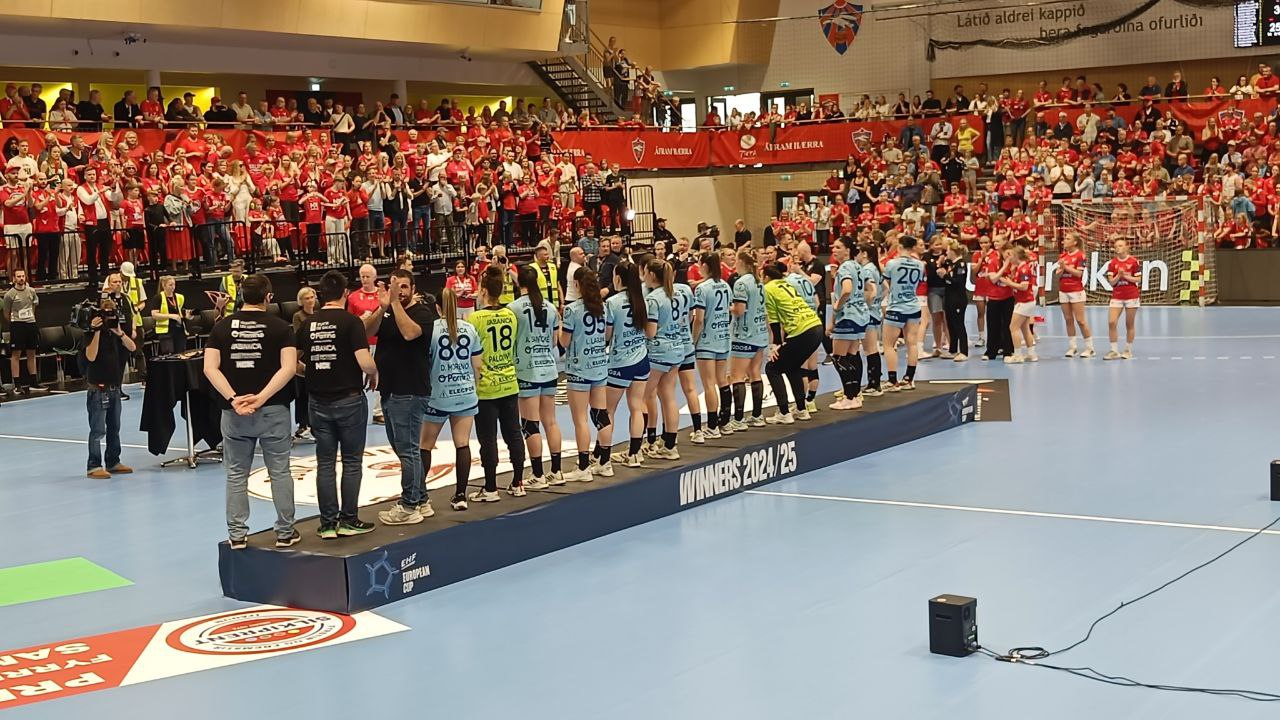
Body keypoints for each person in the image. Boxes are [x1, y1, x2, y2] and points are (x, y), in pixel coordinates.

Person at [203, 274, 298, 549]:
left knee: (235, 473)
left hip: (235, 414)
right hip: (273, 410)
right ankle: (284, 533)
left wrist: (234, 399)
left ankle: (237, 535)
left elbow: (210, 368)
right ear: (268, 297)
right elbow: (289, 368)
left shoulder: (221, 329)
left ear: (242, 296)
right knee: (279, 471)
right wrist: (261, 398)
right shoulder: (281, 328)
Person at [297, 271, 379, 539]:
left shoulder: (308, 324)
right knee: (352, 462)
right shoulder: (351, 322)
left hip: (318, 401)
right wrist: (373, 372)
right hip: (349, 400)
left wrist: (309, 372)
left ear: (321, 294)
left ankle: (327, 523)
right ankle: (349, 519)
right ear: (345, 293)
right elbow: (365, 362)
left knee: (325, 463)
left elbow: (292, 361)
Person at [363, 268, 437, 524]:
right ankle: (422, 498)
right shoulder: (387, 312)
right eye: (396, 287)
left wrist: (394, 303)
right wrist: (382, 308)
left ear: (413, 288)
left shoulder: (422, 312)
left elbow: (410, 333)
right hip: (389, 390)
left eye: (404, 287)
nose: (400, 291)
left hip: (410, 391)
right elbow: (366, 332)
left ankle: (409, 506)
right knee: (402, 448)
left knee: (408, 451)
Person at [470, 266, 527, 499]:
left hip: (486, 387)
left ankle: (491, 487)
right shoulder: (510, 315)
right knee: (514, 433)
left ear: (483, 291)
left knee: (487, 437)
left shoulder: (475, 318)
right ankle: (518, 482)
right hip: (509, 382)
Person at [422, 289, 482, 512]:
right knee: (462, 443)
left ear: (437, 307)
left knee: (425, 445)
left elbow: (425, 362)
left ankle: (421, 496)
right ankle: (460, 496)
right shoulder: (469, 328)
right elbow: (477, 364)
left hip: (438, 394)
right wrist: (472, 386)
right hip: (465, 393)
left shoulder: (432, 330)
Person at [597, 261, 653, 470]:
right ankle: (635, 454)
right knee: (636, 407)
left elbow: (608, 334)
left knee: (608, 410)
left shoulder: (612, 303)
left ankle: (603, 458)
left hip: (620, 361)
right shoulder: (642, 300)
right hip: (641, 359)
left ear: (618, 278)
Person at [511, 266, 563, 487]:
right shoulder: (550, 308)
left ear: (518, 282)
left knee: (530, 423)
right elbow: (554, 341)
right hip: (549, 369)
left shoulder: (512, 309)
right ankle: (557, 471)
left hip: (527, 370)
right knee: (550, 421)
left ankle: (538, 475)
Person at [560, 267, 609, 482]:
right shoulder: (603, 307)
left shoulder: (572, 310)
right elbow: (608, 335)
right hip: (599, 365)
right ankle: (605, 463)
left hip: (579, 369)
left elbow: (564, 341)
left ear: (577, 285)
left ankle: (583, 467)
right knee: (601, 415)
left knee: (580, 419)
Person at [762, 264, 824, 423]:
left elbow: (774, 319)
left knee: (772, 368)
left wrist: (775, 344)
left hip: (801, 330)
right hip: (816, 326)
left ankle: (784, 412)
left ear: (766, 277)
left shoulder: (768, 288)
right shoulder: (787, 284)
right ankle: (801, 409)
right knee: (793, 366)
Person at [83, 293, 135, 479]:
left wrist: (119, 332)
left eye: (112, 314)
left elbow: (132, 347)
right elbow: (90, 356)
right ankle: (93, 465)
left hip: (114, 386)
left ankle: (113, 460)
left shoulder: (115, 333)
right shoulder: (90, 332)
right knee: (98, 429)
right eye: (106, 315)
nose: (110, 318)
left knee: (114, 427)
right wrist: (96, 331)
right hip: (98, 387)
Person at [639, 260, 683, 460]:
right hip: (677, 347)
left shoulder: (653, 299)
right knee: (668, 397)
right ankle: (670, 445)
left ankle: (637, 448)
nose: (644, 275)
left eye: (646, 272)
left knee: (639, 398)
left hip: (658, 351)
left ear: (652, 275)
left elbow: (651, 331)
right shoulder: (675, 294)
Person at [690, 252, 732, 439]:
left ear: (705, 265)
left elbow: (699, 319)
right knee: (722, 380)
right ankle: (726, 422)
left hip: (707, 340)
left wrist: (693, 340)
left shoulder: (702, 289)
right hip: (723, 336)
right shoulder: (725, 286)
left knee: (708, 385)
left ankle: (713, 426)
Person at [829, 238, 873, 410]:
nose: (834, 250)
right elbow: (871, 290)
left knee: (839, 357)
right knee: (852, 355)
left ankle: (849, 396)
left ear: (847, 250)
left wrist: (837, 305)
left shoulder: (845, 267)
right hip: (860, 315)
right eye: (833, 247)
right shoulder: (858, 266)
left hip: (848, 315)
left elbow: (846, 289)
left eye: (838, 247)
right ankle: (855, 395)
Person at [727, 248, 767, 431]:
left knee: (737, 376)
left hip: (744, 334)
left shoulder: (741, 283)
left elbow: (740, 310)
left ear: (741, 262)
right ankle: (757, 415)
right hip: (759, 332)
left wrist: (728, 309)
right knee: (755, 373)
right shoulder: (759, 281)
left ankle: (739, 418)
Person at [882, 236, 925, 391]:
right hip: (913, 306)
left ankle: (892, 381)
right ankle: (909, 379)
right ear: (913, 248)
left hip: (896, 307)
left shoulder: (892, 263)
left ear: (899, 246)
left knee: (888, 345)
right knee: (912, 343)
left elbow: (886, 283)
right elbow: (919, 283)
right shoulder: (920, 265)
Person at [346, 264, 385, 424]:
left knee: (380, 375)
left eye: (368, 276)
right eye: (362, 276)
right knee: (358, 374)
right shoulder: (353, 297)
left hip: (380, 340)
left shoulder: (382, 295)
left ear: (375, 278)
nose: (364, 279)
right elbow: (348, 319)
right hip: (361, 343)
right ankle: (354, 409)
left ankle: (378, 411)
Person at [1056, 233, 1095, 358]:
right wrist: (1062, 268)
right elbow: (1058, 273)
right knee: (1068, 320)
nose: (1064, 241)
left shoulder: (1080, 255)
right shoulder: (1063, 256)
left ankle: (1090, 348)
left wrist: (1065, 267)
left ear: (1075, 242)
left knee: (1081, 320)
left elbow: (1078, 274)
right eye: (1065, 238)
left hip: (1076, 290)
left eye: (1067, 239)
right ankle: (1072, 347)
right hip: (1063, 290)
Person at [3, 270, 40, 394]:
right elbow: (6, 313)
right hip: (17, 325)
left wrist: (30, 318)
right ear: (14, 278)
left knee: (31, 353)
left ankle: (33, 382)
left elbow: (34, 305)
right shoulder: (10, 294)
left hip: (31, 324)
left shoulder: (32, 291)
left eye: (23, 276)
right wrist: (16, 321)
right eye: (18, 276)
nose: (21, 278)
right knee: (16, 355)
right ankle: (17, 384)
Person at [1000, 245, 1038, 364]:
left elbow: (1024, 286)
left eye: (1010, 255)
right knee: (1025, 328)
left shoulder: (1024, 269)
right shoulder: (1018, 268)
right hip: (1024, 301)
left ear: (1016, 256)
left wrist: (1009, 283)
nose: (1008, 257)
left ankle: (1018, 355)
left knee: (1013, 328)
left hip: (1025, 302)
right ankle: (1032, 354)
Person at [1104, 238, 1140, 360]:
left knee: (1129, 324)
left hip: (1131, 296)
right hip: (1117, 296)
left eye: (1120, 245)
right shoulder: (1112, 263)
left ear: (1126, 247)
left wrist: (1125, 275)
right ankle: (1114, 351)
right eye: (1116, 246)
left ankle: (1127, 350)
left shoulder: (1134, 261)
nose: (1118, 248)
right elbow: (1112, 282)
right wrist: (1119, 275)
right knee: (1111, 322)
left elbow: (1138, 279)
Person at [291, 287, 317, 441]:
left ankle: (314, 423)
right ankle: (302, 424)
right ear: (301, 301)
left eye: (312, 297)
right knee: (302, 393)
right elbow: (300, 336)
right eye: (307, 298)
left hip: (315, 355)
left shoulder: (319, 314)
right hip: (302, 356)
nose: (310, 300)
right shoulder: (298, 316)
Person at [938, 241, 970, 362]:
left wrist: (945, 276)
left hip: (958, 299)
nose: (946, 253)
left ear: (953, 251)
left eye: (947, 250)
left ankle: (964, 351)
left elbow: (958, 282)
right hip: (950, 298)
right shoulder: (952, 264)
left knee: (959, 325)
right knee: (951, 325)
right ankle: (953, 350)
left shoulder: (961, 264)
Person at [148, 275, 191, 355]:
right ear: (164, 286)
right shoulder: (158, 298)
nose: (173, 287)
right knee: (169, 354)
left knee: (181, 354)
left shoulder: (179, 297)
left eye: (174, 284)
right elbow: (154, 315)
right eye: (170, 285)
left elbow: (182, 311)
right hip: (166, 331)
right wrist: (171, 316)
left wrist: (187, 315)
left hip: (179, 330)